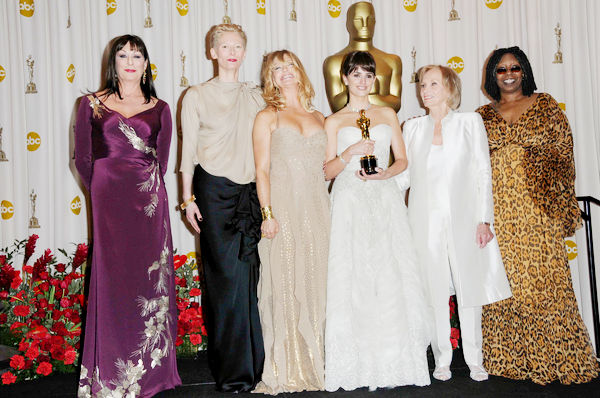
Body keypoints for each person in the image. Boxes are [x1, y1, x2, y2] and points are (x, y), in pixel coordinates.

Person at [476, 46, 599, 384]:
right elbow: (469, 166)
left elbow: (564, 154)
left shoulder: (546, 106)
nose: (509, 74)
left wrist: (556, 202)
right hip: (496, 211)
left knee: (544, 283)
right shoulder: (481, 116)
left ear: (525, 71)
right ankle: (509, 360)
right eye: (501, 70)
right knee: (502, 283)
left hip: (536, 208)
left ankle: (556, 358)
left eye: (515, 67)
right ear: (493, 76)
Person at [74, 34, 181, 397]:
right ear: (113, 63)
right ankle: (108, 374)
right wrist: (104, 189)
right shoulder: (90, 104)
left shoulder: (160, 107)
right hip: (108, 199)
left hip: (148, 201)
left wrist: (142, 188)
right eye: (123, 55)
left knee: (147, 280)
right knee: (112, 279)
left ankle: (151, 373)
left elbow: (162, 162)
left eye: (137, 55)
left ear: (146, 63)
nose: (130, 61)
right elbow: (82, 158)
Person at [323, 51, 430, 391]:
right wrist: (348, 153)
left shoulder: (387, 113)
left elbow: (403, 161)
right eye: (356, 75)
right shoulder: (333, 121)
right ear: (345, 79)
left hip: (384, 198)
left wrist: (385, 175)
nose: (363, 81)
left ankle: (395, 358)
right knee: (352, 275)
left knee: (389, 274)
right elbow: (326, 171)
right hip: (349, 200)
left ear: (374, 79)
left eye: (368, 76)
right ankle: (354, 362)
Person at [402, 65, 512, 383]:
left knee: (469, 289)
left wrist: (483, 219)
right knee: (434, 291)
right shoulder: (412, 128)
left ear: (450, 88)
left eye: (433, 83)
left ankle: (475, 358)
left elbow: (482, 172)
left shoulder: (470, 122)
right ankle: (442, 359)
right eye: (422, 85)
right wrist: (376, 181)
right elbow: (405, 178)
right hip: (424, 222)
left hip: (464, 220)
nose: (426, 90)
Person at [179, 24, 265, 392]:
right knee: (223, 280)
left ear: (245, 52)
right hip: (212, 195)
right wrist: (187, 201)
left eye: (238, 46)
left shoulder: (259, 96)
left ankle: (254, 366)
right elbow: (187, 155)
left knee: (249, 279)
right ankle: (230, 370)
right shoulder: (196, 95)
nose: (231, 51)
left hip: (250, 194)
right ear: (212, 52)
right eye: (224, 45)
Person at [251, 50, 330, 394]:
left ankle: (321, 364)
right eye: (276, 68)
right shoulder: (267, 116)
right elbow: (262, 170)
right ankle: (288, 368)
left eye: (290, 66)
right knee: (282, 286)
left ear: (300, 71)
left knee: (316, 285)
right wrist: (268, 213)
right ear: (270, 77)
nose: (284, 72)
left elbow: (327, 169)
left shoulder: (320, 116)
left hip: (318, 210)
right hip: (282, 210)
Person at [323, 1, 402, 113]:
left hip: (384, 124)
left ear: (375, 23)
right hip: (348, 124)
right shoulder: (334, 62)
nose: (365, 25)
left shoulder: (392, 61)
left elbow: (396, 104)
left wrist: (365, 93)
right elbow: (337, 105)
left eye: (369, 20)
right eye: (358, 20)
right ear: (348, 24)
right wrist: (372, 93)